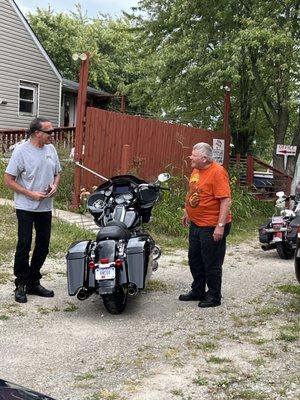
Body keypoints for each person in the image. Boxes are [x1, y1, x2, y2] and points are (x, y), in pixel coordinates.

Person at [4, 117, 61, 303]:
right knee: (24, 244)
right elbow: (8, 180)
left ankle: (33, 281)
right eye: (49, 132)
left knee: (43, 245)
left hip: (45, 207)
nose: (53, 134)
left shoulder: (51, 150)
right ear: (37, 133)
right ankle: (20, 283)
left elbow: (57, 173)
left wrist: (55, 186)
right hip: (26, 206)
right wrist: (30, 194)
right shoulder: (21, 151)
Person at [179, 142, 231, 308]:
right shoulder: (197, 169)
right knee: (194, 259)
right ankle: (198, 290)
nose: (190, 157)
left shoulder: (218, 172)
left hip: (212, 225)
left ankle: (214, 296)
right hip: (196, 224)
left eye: (193, 155)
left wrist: (220, 226)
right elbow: (194, 191)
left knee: (211, 262)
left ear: (204, 158)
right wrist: (188, 211)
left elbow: (226, 200)